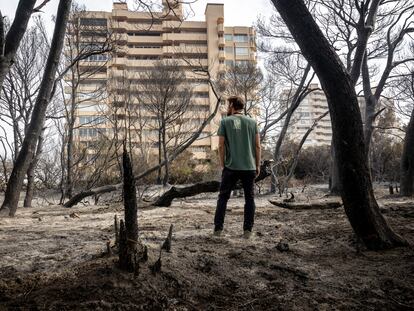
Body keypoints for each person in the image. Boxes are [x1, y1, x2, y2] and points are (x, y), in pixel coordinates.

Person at [214, 96, 261, 239]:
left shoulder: (225, 122)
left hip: (231, 166)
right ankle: (247, 231)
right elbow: (257, 146)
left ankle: (218, 230)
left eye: (229, 105)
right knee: (250, 199)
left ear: (233, 105)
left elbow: (221, 145)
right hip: (249, 167)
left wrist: (222, 163)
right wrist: (257, 164)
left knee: (223, 198)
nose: (228, 107)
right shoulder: (253, 122)